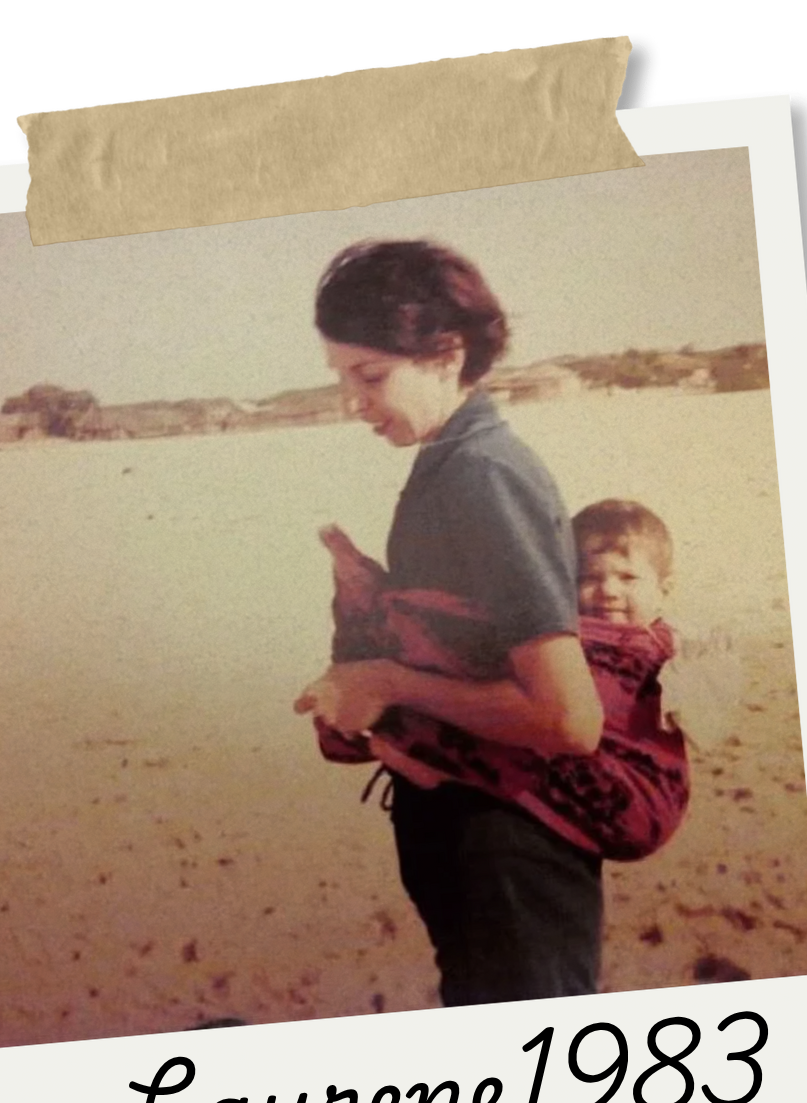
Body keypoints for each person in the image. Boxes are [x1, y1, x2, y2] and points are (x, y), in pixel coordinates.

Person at [293, 239, 605, 1007]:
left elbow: (569, 718)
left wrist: (386, 679)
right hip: (480, 847)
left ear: (445, 354)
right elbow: (475, 644)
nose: (351, 402)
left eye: (370, 376)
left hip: (509, 853)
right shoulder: (449, 465)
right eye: (342, 378)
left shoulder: (482, 475)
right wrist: (373, 602)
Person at [310, 499, 690, 863]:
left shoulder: (640, 651)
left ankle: (404, 746)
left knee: (499, 710)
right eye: (588, 578)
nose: (607, 590)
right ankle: (417, 753)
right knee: (489, 705)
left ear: (665, 590)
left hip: (634, 801)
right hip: (618, 802)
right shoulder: (586, 638)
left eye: (627, 578)